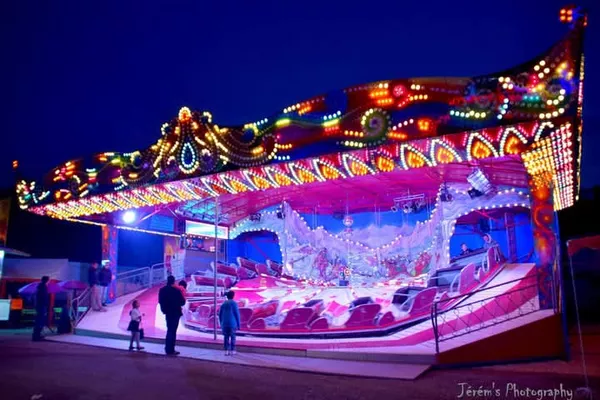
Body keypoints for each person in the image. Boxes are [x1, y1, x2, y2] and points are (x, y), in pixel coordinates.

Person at [158, 275, 186, 355]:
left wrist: (164, 310)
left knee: (169, 329)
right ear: (174, 281)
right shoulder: (176, 291)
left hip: (167, 313)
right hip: (175, 313)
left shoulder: (162, 290)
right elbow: (182, 302)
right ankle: (171, 349)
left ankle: (167, 348)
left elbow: (160, 301)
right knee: (173, 331)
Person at [219, 291, 241, 356]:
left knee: (226, 337)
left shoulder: (223, 304)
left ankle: (226, 351)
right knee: (232, 337)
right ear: (233, 296)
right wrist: (239, 325)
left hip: (224, 324)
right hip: (232, 323)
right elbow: (237, 314)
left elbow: (220, 315)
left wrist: (221, 323)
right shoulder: (234, 303)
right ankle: (232, 350)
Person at [32, 276, 50, 341]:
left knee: (39, 320)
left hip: (40, 305)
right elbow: (43, 297)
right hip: (41, 305)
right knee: (40, 320)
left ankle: (37, 335)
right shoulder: (43, 287)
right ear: (46, 280)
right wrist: (46, 304)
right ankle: (36, 336)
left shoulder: (40, 287)